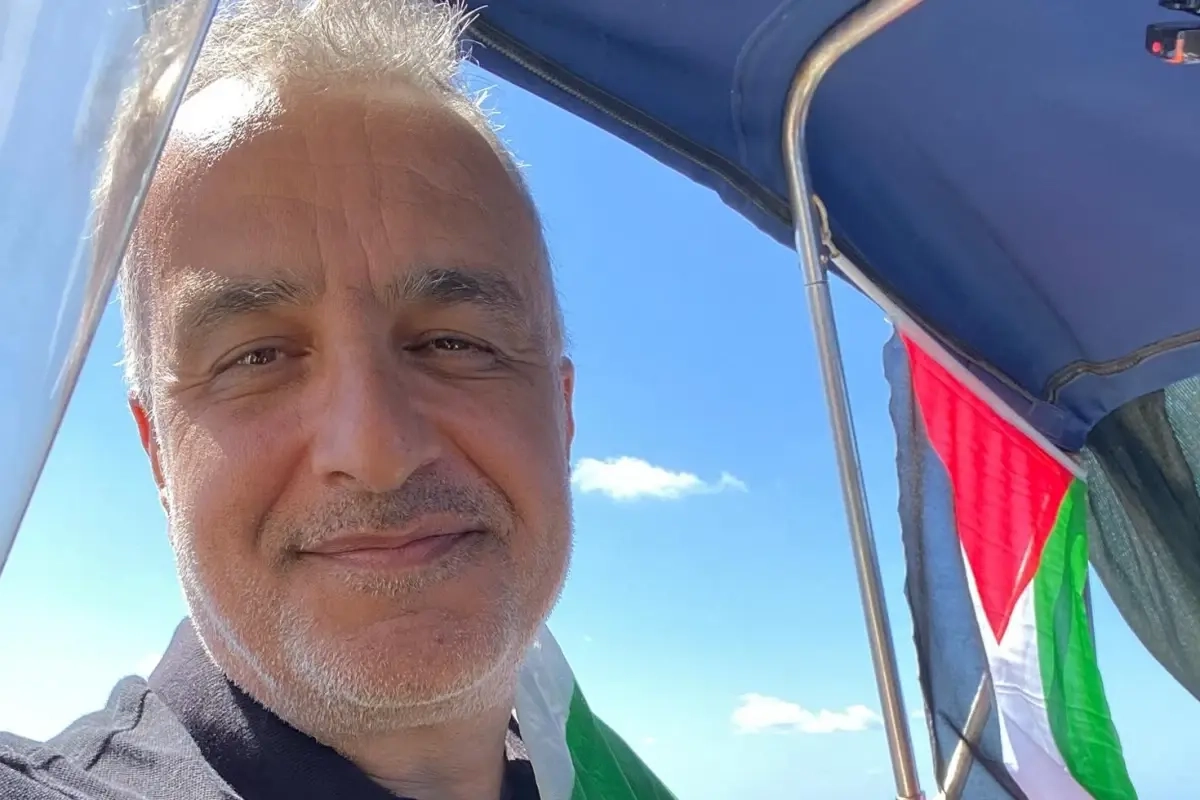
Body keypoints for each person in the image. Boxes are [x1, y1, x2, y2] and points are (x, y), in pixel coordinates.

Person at [0, 1, 585, 798]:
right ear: (158, 452)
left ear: (563, 413)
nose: (376, 450)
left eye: (453, 343)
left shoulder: (591, 774)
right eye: (257, 357)